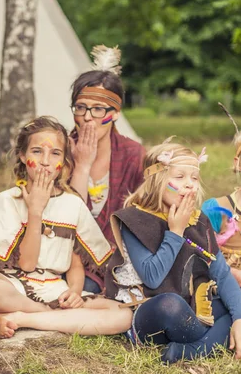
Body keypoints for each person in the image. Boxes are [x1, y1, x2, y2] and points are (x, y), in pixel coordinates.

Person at [0, 116, 132, 339]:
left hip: (53, 287)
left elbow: (75, 263)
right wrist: (35, 211)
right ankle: (43, 314)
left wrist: (73, 291)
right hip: (11, 287)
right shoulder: (4, 201)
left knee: (123, 315)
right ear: (22, 156)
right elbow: (27, 263)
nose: (45, 161)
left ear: (64, 161)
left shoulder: (73, 204)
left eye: (55, 154)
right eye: (36, 151)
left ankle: (19, 318)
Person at [104, 141, 241, 363]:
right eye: (179, 177)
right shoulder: (134, 219)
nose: (189, 184)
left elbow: (222, 274)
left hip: (194, 307)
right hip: (152, 310)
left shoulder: (199, 221)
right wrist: (176, 231)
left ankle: (191, 350)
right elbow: (152, 278)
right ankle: (218, 339)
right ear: (156, 181)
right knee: (170, 304)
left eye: (194, 178)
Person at [68, 45, 146, 293]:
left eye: (98, 109)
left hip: (114, 258)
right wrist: (81, 165)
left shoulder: (132, 153)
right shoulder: (59, 150)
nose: (88, 117)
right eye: (81, 107)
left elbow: (143, 218)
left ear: (114, 114)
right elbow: (67, 221)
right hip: (63, 254)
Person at [203, 103, 241, 294]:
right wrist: (233, 273)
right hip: (228, 294)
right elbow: (199, 259)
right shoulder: (216, 208)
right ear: (238, 164)